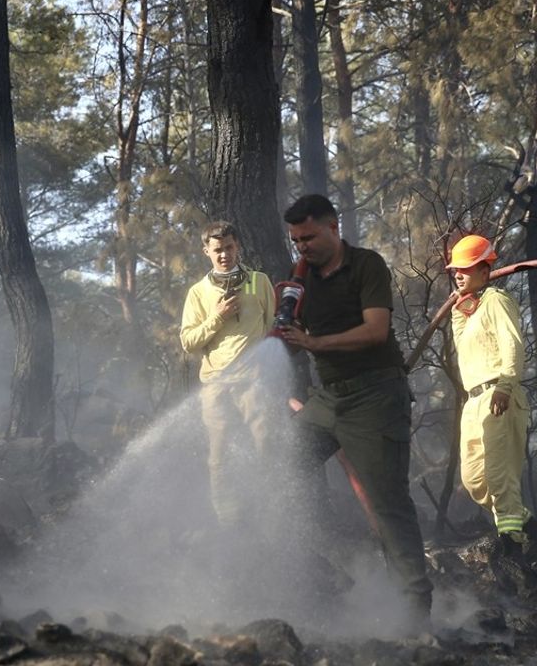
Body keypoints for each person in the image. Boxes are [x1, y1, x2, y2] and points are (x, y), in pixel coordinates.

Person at [277, 194, 433, 628]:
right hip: (329, 398)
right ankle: (307, 578)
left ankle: (414, 613)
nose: (302, 247)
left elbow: (375, 331)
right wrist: (287, 332)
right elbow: (295, 332)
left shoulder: (367, 265)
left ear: (333, 227)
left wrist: (313, 343)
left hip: (376, 395)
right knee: (282, 462)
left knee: (388, 504)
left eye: (308, 237)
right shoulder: (300, 278)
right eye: (295, 240)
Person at [446, 234, 537, 557]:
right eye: (456, 270)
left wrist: (506, 386)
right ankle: (533, 528)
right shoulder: (472, 311)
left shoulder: (496, 300)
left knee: (500, 477)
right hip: (474, 402)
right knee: (475, 480)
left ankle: (512, 548)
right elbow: (462, 343)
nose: (458, 275)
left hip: (498, 395)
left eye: (465, 269)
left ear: (484, 270)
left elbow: (512, 345)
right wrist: (459, 309)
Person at [180, 221, 276, 525]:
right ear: (206, 251)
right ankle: (229, 522)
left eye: (230, 247)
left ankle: (267, 514)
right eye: (218, 249)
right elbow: (188, 342)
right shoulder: (198, 292)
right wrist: (217, 318)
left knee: (266, 446)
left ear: (238, 247)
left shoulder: (259, 282)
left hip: (255, 383)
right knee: (219, 457)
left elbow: (274, 329)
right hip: (216, 386)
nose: (225, 255)